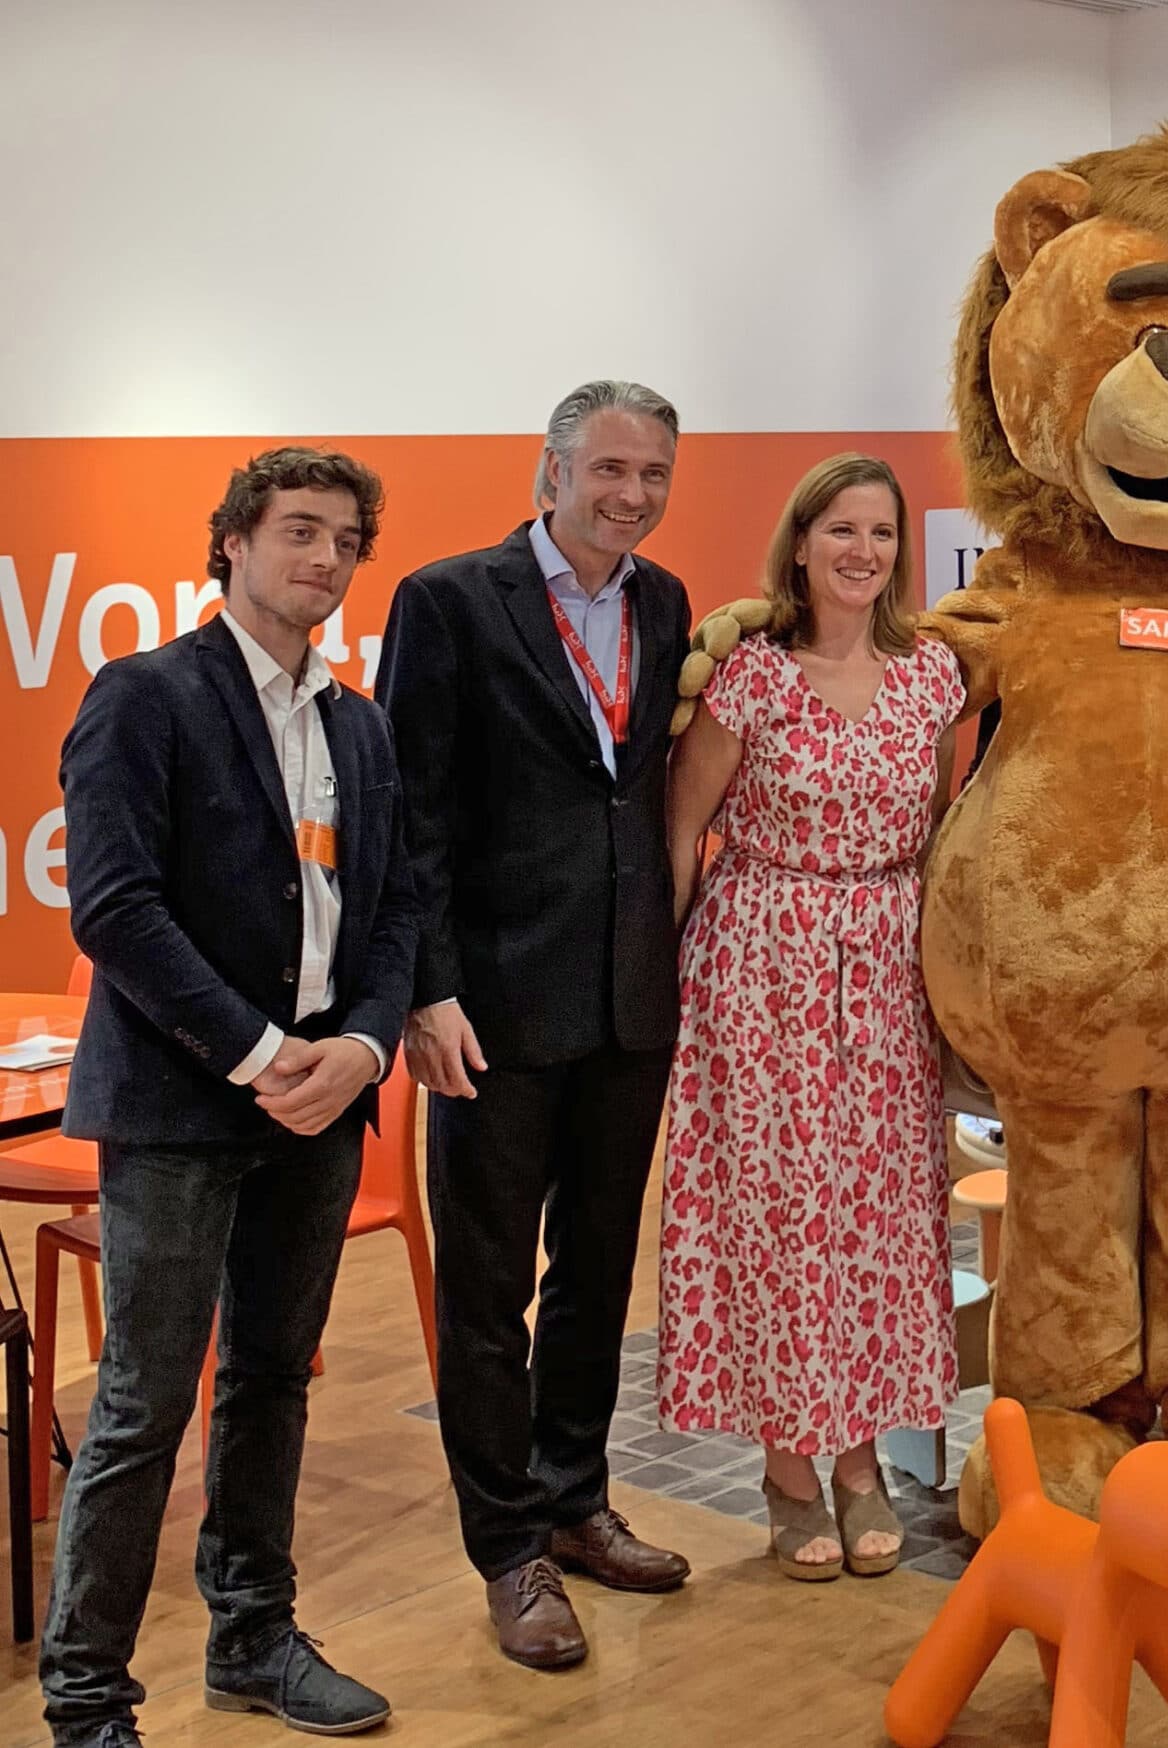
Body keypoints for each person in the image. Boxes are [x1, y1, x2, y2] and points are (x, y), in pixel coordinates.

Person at [46, 447, 415, 1746]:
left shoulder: (358, 725)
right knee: (143, 1403)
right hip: (186, 1107)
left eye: (343, 542)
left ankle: (251, 1637)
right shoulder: (146, 697)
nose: (323, 559)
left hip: (322, 1102)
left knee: (272, 1378)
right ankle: (87, 1696)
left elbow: (393, 908)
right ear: (235, 545)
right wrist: (267, 1057)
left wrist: (363, 1050)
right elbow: (115, 909)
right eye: (298, 532)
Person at [378, 381, 697, 1669]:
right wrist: (425, 989)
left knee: (595, 1278)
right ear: (549, 470)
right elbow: (411, 812)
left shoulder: (664, 602)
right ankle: (505, 1546)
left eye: (654, 472)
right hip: (492, 1008)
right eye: (610, 466)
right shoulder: (448, 601)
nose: (632, 492)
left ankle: (573, 1500)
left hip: (627, 1001)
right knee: (487, 1287)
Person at [656, 454, 970, 1579]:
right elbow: (683, 832)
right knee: (781, 1217)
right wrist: (663, 992)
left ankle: (861, 1456)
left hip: (886, 965)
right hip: (761, 965)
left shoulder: (935, 677)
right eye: (840, 528)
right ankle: (791, 1463)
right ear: (800, 542)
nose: (862, 551)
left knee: (881, 1219)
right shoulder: (750, 677)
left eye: (881, 532)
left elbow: (938, 828)